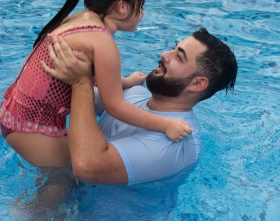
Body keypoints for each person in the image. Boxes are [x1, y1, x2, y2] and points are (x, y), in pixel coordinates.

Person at [0, 0, 193, 168]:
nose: (143, 13)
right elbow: (116, 107)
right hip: (32, 127)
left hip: (16, 112)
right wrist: (166, 125)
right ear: (122, 6)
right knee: (65, 179)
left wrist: (126, 82)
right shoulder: (102, 41)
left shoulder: (78, 19)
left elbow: (94, 77)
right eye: (141, 5)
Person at [41, 27, 238, 185]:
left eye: (179, 56)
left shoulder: (177, 143)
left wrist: (80, 81)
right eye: (174, 48)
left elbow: (87, 167)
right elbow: (65, 98)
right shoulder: (137, 92)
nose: (165, 54)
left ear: (197, 84)